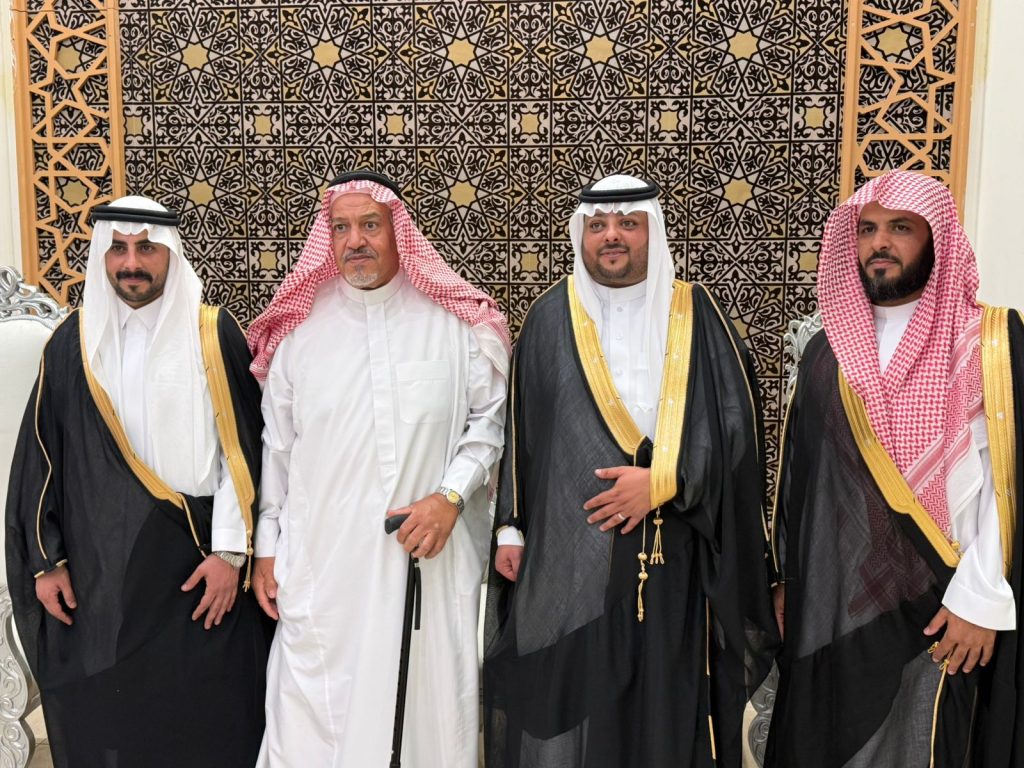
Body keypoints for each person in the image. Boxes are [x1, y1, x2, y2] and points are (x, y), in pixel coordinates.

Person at [482, 174, 778, 767]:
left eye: (627, 223)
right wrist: (511, 526)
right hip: (570, 556)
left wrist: (665, 481)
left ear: (653, 231)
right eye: (597, 225)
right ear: (581, 235)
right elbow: (522, 430)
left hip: (673, 551)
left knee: (663, 702)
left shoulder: (697, 313)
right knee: (574, 695)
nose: (611, 236)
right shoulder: (548, 317)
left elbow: (736, 429)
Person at [246, 170, 510, 767]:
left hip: (427, 560)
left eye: (370, 224)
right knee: (314, 713)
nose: (355, 241)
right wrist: (266, 547)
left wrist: (450, 497)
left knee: (428, 713)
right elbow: (278, 450)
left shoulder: (456, 326)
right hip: (323, 563)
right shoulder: (299, 333)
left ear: (399, 231)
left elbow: (489, 424)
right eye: (340, 228)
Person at [767, 170, 1024, 767]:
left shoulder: (986, 339)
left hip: (947, 598)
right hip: (842, 602)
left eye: (900, 228)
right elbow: (802, 482)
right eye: (867, 230)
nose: (879, 243)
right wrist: (788, 583)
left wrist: (979, 599)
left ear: (936, 240)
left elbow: (1005, 485)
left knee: (930, 744)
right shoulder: (827, 351)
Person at [5, 196, 269, 767]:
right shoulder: (73, 342)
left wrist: (230, 553)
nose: (132, 263)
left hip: (199, 565)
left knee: (210, 716)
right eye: (118, 248)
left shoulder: (210, 332)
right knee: (115, 719)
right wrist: (47, 563)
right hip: (102, 571)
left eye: (147, 248)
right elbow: (40, 457)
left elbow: (246, 452)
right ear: (102, 256)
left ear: (170, 254)